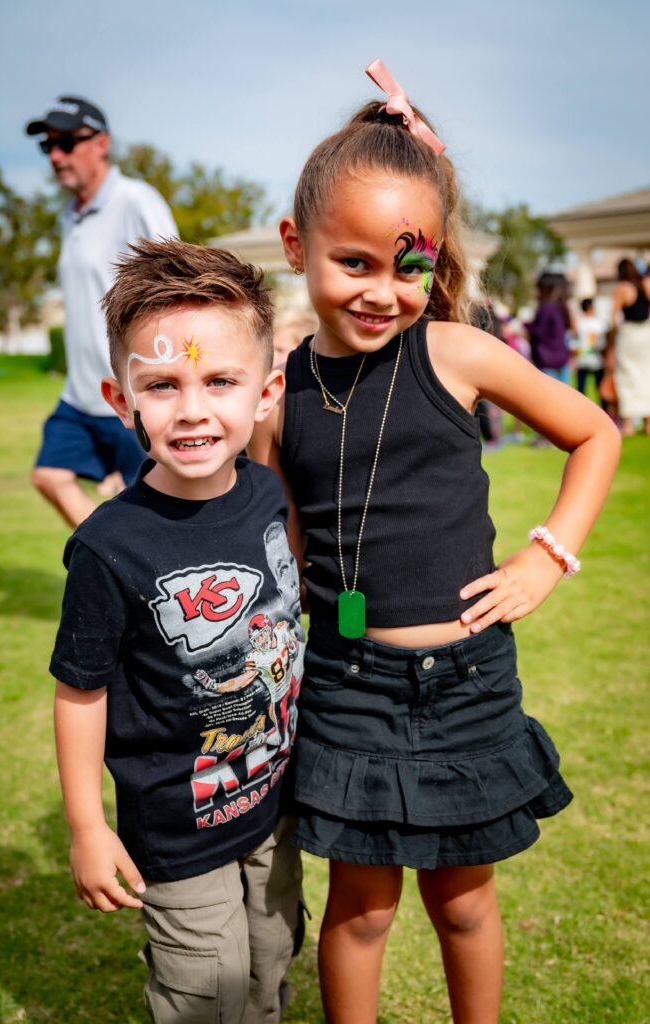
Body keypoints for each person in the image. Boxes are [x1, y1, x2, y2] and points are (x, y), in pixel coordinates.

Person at [249, 59, 621, 1024]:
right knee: (361, 909)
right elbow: (281, 531)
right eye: (355, 263)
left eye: (409, 265)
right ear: (298, 245)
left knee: (464, 902)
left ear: (437, 257)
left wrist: (548, 554)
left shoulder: (456, 352)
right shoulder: (277, 397)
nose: (384, 291)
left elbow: (596, 432)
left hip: (467, 685)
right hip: (347, 683)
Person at [50, 239, 306, 1024]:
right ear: (118, 396)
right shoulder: (108, 545)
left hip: (275, 806)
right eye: (161, 384)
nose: (192, 408)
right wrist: (87, 827)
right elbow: (78, 691)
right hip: (176, 827)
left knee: (270, 968)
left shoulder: (269, 495)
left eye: (219, 380)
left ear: (264, 393)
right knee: (207, 996)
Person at [25, 96, 178, 527]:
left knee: (160, 521)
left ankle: (132, 571)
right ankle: (111, 554)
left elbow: (177, 284)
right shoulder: (69, 217)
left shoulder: (135, 201)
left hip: (130, 396)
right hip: (80, 396)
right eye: (48, 146)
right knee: (50, 475)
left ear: (102, 143)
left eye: (68, 142)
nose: (56, 156)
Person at [609, 258, 650, 436]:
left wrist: (614, 335)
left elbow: (614, 317)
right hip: (646, 333)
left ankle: (628, 425)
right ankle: (649, 424)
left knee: (626, 376)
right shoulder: (646, 283)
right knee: (647, 374)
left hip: (629, 335)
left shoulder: (622, 288)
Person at [527, 271, 572, 383]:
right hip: (562, 359)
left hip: (547, 360)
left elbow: (539, 332)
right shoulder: (562, 307)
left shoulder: (546, 307)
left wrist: (526, 326)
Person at [571, 298, 605, 400]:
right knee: (599, 389)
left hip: (583, 360)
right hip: (595, 360)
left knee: (582, 390)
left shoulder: (578, 323)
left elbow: (573, 343)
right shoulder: (599, 323)